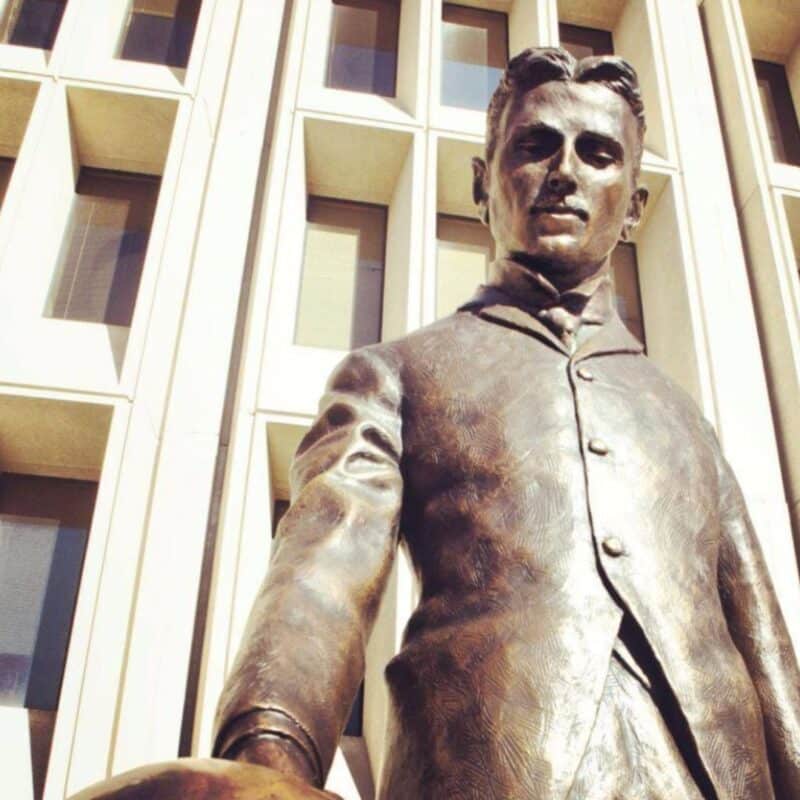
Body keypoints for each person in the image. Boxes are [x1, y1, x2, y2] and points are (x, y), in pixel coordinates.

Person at [73, 48, 800, 800]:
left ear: (636, 206)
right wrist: (270, 755)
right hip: (486, 773)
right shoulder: (397, 374)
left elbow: (764, 643)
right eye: (535, 145)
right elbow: (322, 577)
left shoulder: (679, 412)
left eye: (599, 154)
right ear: (483, 184)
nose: (565, 172)